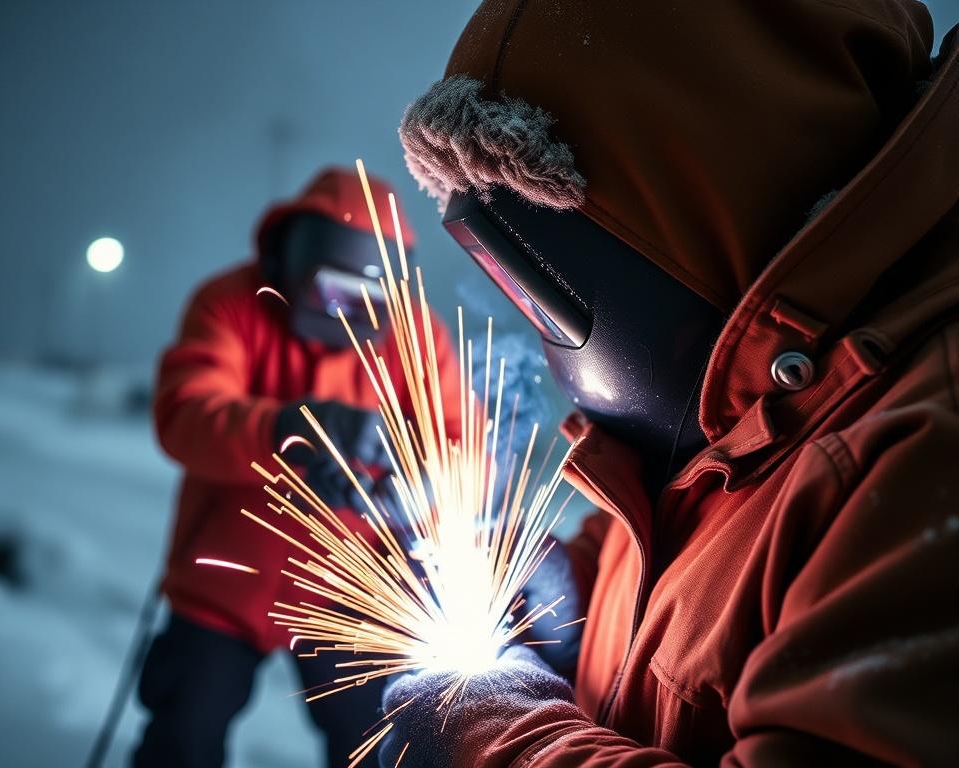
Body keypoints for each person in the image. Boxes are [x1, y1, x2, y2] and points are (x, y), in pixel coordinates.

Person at [382, 1, 959, 766]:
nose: (541, 334)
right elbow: (699, 563)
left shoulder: (925, 451)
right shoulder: (724, 422)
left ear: (706, 210)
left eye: (544, 293)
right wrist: (574, 589)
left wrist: (504, 746)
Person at [133, 167, 462, 768]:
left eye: (369, 301)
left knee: (372, 751)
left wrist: (411, 495)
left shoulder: (417, 335)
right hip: (222, 586)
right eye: (334, 293)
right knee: (181, 741)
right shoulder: (231, 304)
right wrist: (289, 430)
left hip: (350, 593)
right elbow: (184, 414)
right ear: (295, 264)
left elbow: (461, 447)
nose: (349, 315)